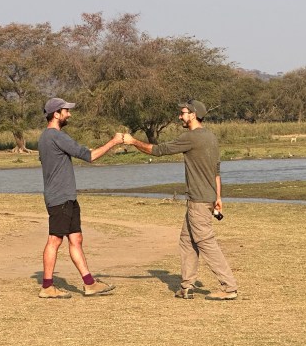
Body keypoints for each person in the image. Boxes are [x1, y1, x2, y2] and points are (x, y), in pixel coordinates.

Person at [124, 100, 238, 301]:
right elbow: (216, 171)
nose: (180, 116)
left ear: (193, 115)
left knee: (205, 242)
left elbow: (158, 151)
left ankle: (229, 287)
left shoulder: (191, 137)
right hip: (207, 198)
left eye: (183, 113)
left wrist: (133, 142)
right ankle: (187, 286)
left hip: (199, 201)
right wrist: (218, 197)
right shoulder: (211, 137)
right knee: (187, 240)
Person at [37, 97, 123, 299]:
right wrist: (114, 141)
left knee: (76, 238)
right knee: (54, 240)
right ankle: (47, 286)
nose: (69, 114)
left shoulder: (44, 138)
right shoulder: (56, 136)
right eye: (66, 111)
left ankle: (89, 284)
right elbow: (89, 156)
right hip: (60, 197)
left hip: (66, 197)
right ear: (56, 114)